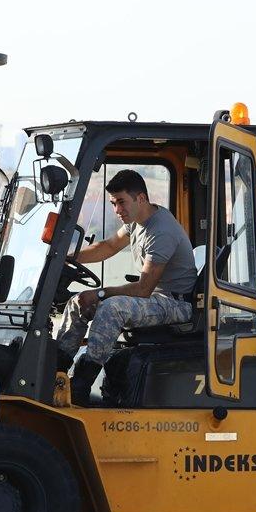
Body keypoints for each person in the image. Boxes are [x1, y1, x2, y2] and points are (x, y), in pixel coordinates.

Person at [56, 169, 197, 405]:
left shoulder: (161, 231)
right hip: (154, 297)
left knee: (112, 308)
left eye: (121, 202)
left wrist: (100, 293)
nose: (117, 210)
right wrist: (66, 258)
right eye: (113, 203)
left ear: (140, 198)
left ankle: (81, 384)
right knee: (78, 301)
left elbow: (143, 289)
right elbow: (108, 247)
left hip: (174, 302)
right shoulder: (136, 221)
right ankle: (56, 370)